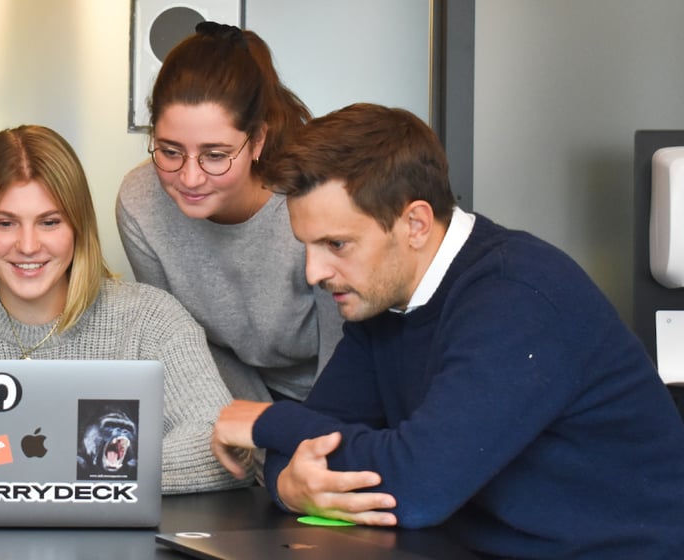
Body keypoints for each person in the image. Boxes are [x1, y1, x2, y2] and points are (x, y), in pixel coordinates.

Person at [211, 103, 684, 558]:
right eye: (308, 247)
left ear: (415, 223)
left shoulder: (517, 296)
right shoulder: (380, 299)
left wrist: (265, 422)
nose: (315, 271)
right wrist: (288, 484)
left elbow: (416, 485)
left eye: (337, 244)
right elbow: (317, 443)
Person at [0, 124, 247, 494]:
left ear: (78, 227)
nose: (29, 245)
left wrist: (28, 466)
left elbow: (225, 450)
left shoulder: (151, 321)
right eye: (6, 223)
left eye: (49, 222)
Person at [117, 22, 342, 404]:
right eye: (170, 151)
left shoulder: (317, 194)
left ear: (257, 141)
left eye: (215, 156)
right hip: (229, 396)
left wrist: (298, 432)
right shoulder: (140, 204)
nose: (189, 177)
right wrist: (257, 432)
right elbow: (179, 342)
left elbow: (347, 346)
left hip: (341, 390)